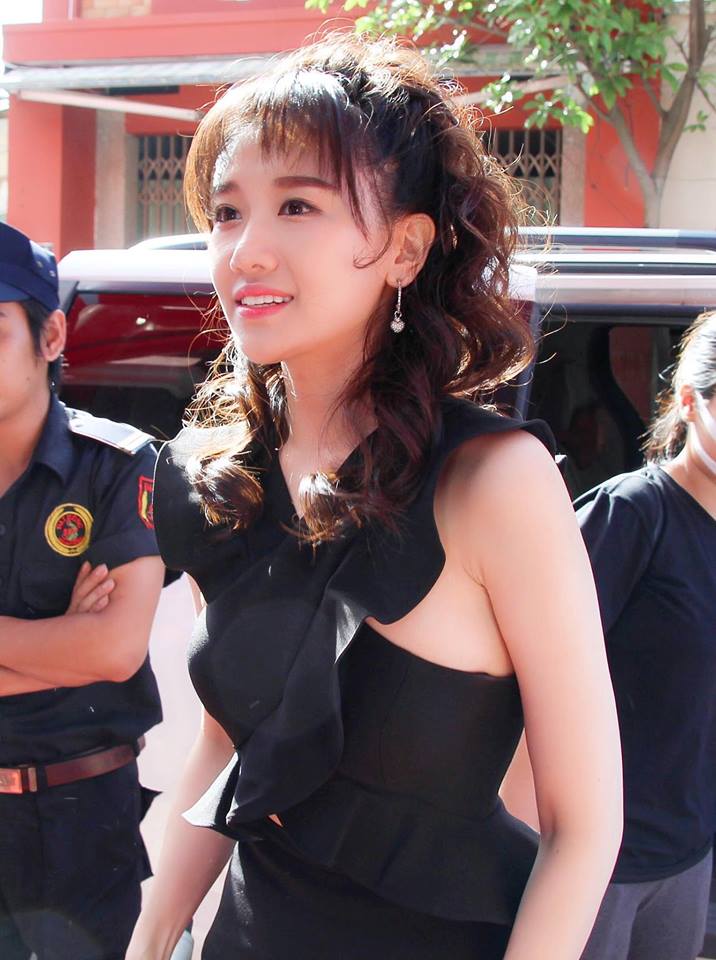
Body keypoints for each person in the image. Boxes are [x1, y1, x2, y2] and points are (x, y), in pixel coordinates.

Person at [127, 35, 622, 960]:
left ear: (405, 248)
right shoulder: (215, 481)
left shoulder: (494, 481)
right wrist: (150, 935)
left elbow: (584, 827)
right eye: (228, 212)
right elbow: (228, 750)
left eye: (298, 205)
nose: (246, 250)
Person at [0, 222, 167, 960]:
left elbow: (113, 651)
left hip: (79, 824)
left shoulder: (116, 467)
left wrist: (85, 646)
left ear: (51, 336)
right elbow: (85, 653)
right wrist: (56, 646)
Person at [575, 311, 716, 960]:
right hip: (600, 859)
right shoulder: (631, 513)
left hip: (687, 853)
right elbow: (528, 677)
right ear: (690, 402)